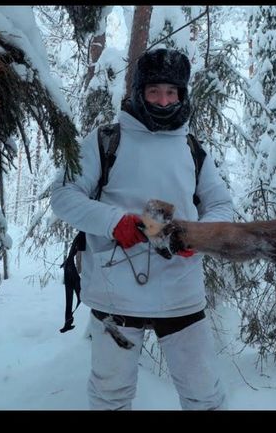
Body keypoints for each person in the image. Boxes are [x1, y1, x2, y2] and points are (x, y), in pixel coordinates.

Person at [50, 48, 232, 410]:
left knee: (203, 395)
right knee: (110, 396)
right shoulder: (104, 140)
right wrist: (113, 222)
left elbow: (220, 204)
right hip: (116, 293)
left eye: (171, 92)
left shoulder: (192, 148)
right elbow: (63, 195)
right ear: (138, 92)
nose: (163, 101)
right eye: (154, 92)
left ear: (182, 95)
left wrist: (197, 235)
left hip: (181, 290)